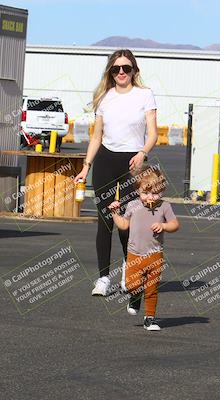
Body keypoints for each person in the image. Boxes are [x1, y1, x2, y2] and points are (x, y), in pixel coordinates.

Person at [74, 49, 158, 296]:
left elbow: (152, 133)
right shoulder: (105, 97)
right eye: (116, 69)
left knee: (129, 222)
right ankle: (102, 279)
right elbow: (96, 137)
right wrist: (86, 166)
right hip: (106, 161)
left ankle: (128, 272)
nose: (121, 72)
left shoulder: (145, 95)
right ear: (110, 72)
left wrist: (142, 153)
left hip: (133, 162)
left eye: (126, 68)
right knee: (105, 221)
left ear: (134, 70)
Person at [108, 165, 180, 331]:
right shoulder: (133, 205)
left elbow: (175, 224)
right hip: (134, 254)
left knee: (152, 289)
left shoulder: (164, 206)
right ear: (138, 191)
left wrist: (164, 226)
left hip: (155, 255)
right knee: (132, 284)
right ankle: (135, 296)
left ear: (161, 191)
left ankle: (150, 318)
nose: (150, 197)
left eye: (155, 193)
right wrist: (115, 214)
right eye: (145, 193)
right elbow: (124, 225)